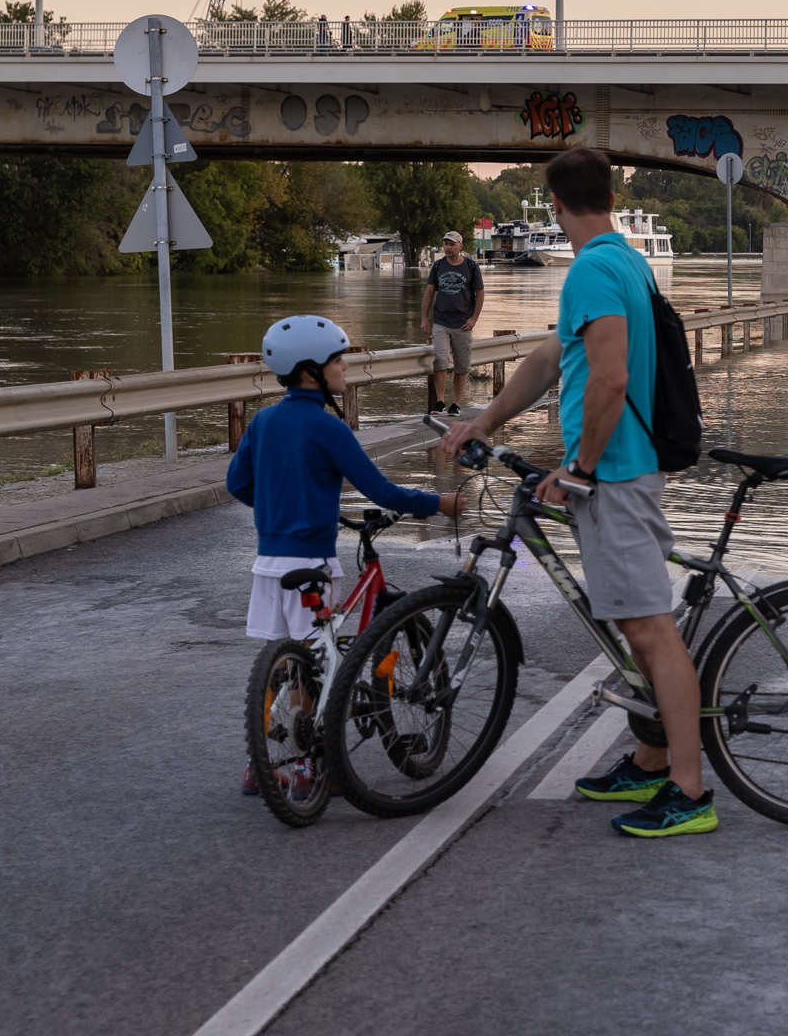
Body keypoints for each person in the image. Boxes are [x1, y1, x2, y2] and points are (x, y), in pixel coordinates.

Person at [442, 147, 714, 838]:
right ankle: (652, 758)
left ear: (556, 205)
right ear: (611, 200)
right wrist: (484, 420)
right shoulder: (624, 258)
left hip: (618, 473)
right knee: (635, 623)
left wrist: (581, 467)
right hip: (621, 469)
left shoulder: (592, 268)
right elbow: (549, 359)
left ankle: (689, 789)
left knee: (651, 630)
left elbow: (610, 378)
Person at [228, 315, 455, 795]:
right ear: (311, 371)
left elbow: (238, 484)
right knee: (317, 668)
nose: (345, 366)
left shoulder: (263, 420)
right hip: (312, 564)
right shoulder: (328, 428)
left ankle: (259, 763)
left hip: (268, 564)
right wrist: (440, 503)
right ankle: (309, 770)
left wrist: (278, 511)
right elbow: (382, 491)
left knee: (283, 662)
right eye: (338, 359)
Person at [420, 230, 483, 415]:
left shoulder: (471, 267)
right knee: (440, 359)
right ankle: (440, 402)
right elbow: (429, 292)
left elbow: (480, 294)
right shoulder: (438, 266)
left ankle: (455, 403)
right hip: (441, 321)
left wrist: (473, 319)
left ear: (460, 246)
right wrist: (424, 318)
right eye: (446, 244)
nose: (448, 247)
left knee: (461, 365)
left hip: (463, 323)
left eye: (452, 244)